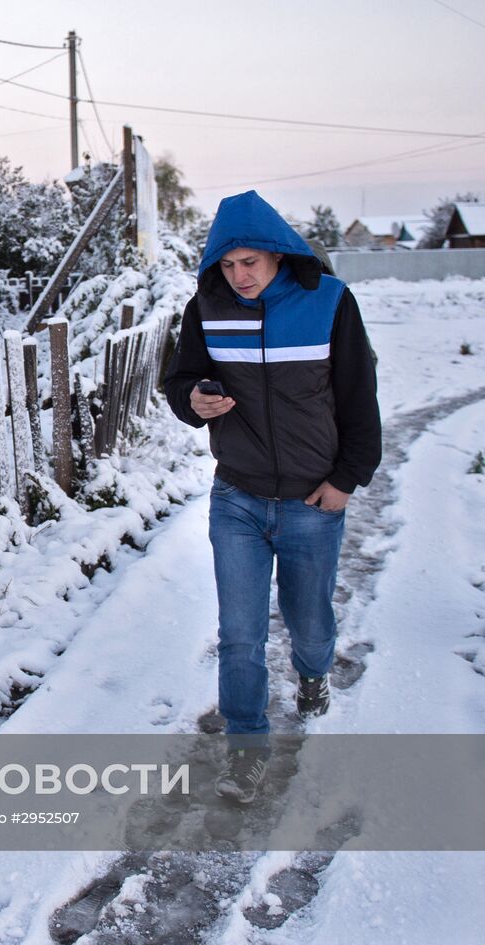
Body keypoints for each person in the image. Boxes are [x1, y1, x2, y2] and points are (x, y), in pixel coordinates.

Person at [162, 190, 381, 803]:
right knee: (240, 631)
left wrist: (345, 481)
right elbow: (183, 381)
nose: (241, 276)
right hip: (238, 495)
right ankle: (246, 749)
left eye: (251, 262)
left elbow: (361, 397)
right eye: (229, 266)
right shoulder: (205, 308)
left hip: (313, 500)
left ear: (280, 255)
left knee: (309, 625)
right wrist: (194, 401)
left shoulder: (329, 303)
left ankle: (313, 675)